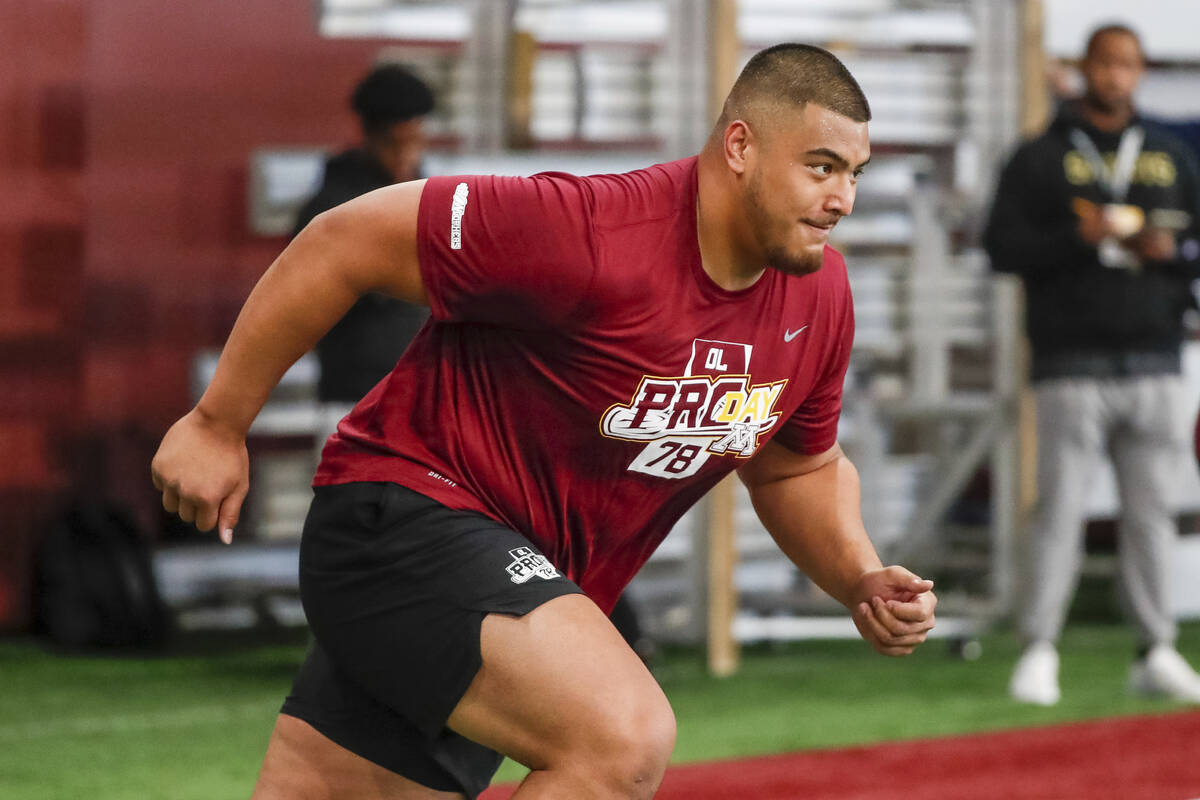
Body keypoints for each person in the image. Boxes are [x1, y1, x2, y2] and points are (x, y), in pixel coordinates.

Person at [151, 44, 938, 800]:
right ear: (740, 146)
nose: (844, 199)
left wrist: (859, 577)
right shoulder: (590, 231)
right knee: (622, 738)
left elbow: (798, 466)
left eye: (856, 174)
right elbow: (344, 240)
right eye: (821, 167)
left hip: (507, 585)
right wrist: (219, 422)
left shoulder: (821, 297)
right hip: (404, 519)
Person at [985, 23, 1200, 706]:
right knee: (1059, 510)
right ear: (1086, 69)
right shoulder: (1040, 157)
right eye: (1107, 64)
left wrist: (1172, 258)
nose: (1117, 77)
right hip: (1070, 358)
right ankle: (1039, 647)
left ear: (1140, 72)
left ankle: (1156, 647)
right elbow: (999, 247)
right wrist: (1074, 237)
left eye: (1129, 65)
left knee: (1153, 513)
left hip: (1158, 356)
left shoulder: (1168, 153)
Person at [296, 62, 435, 406]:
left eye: (414, 142)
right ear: (370, 138)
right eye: (394, 145)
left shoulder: (423, 198)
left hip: (415, 389)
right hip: (355, 394)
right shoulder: (333, 211)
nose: (406, 157)